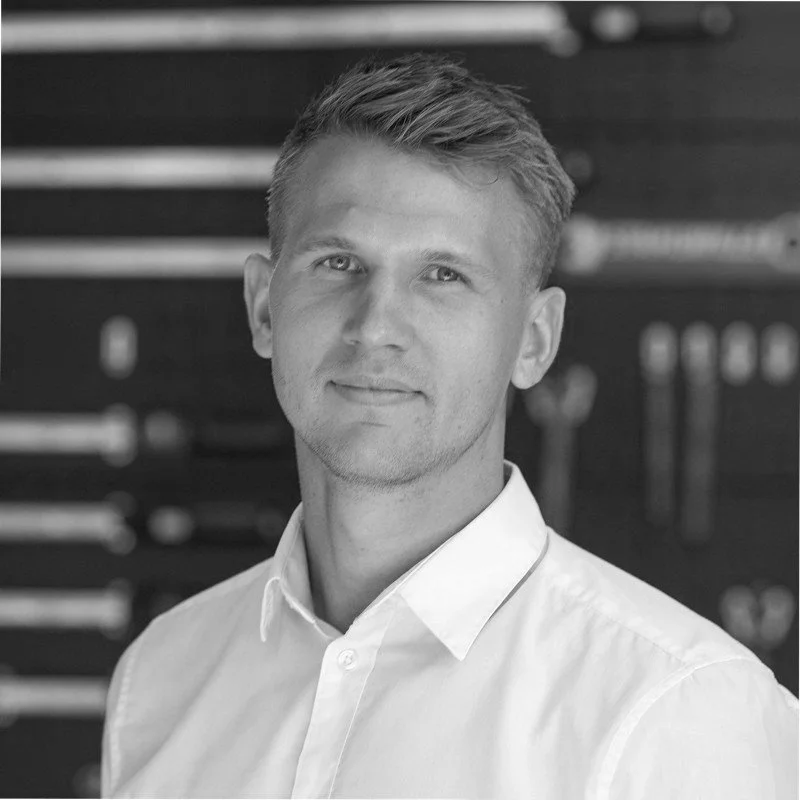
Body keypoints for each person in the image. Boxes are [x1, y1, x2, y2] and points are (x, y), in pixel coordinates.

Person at [101, 54, 798, 799]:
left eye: (443, 276)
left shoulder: (680, 713)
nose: (376, 328)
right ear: (264, 308)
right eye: (338, 263)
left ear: (535, 340)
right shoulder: (160, 677)